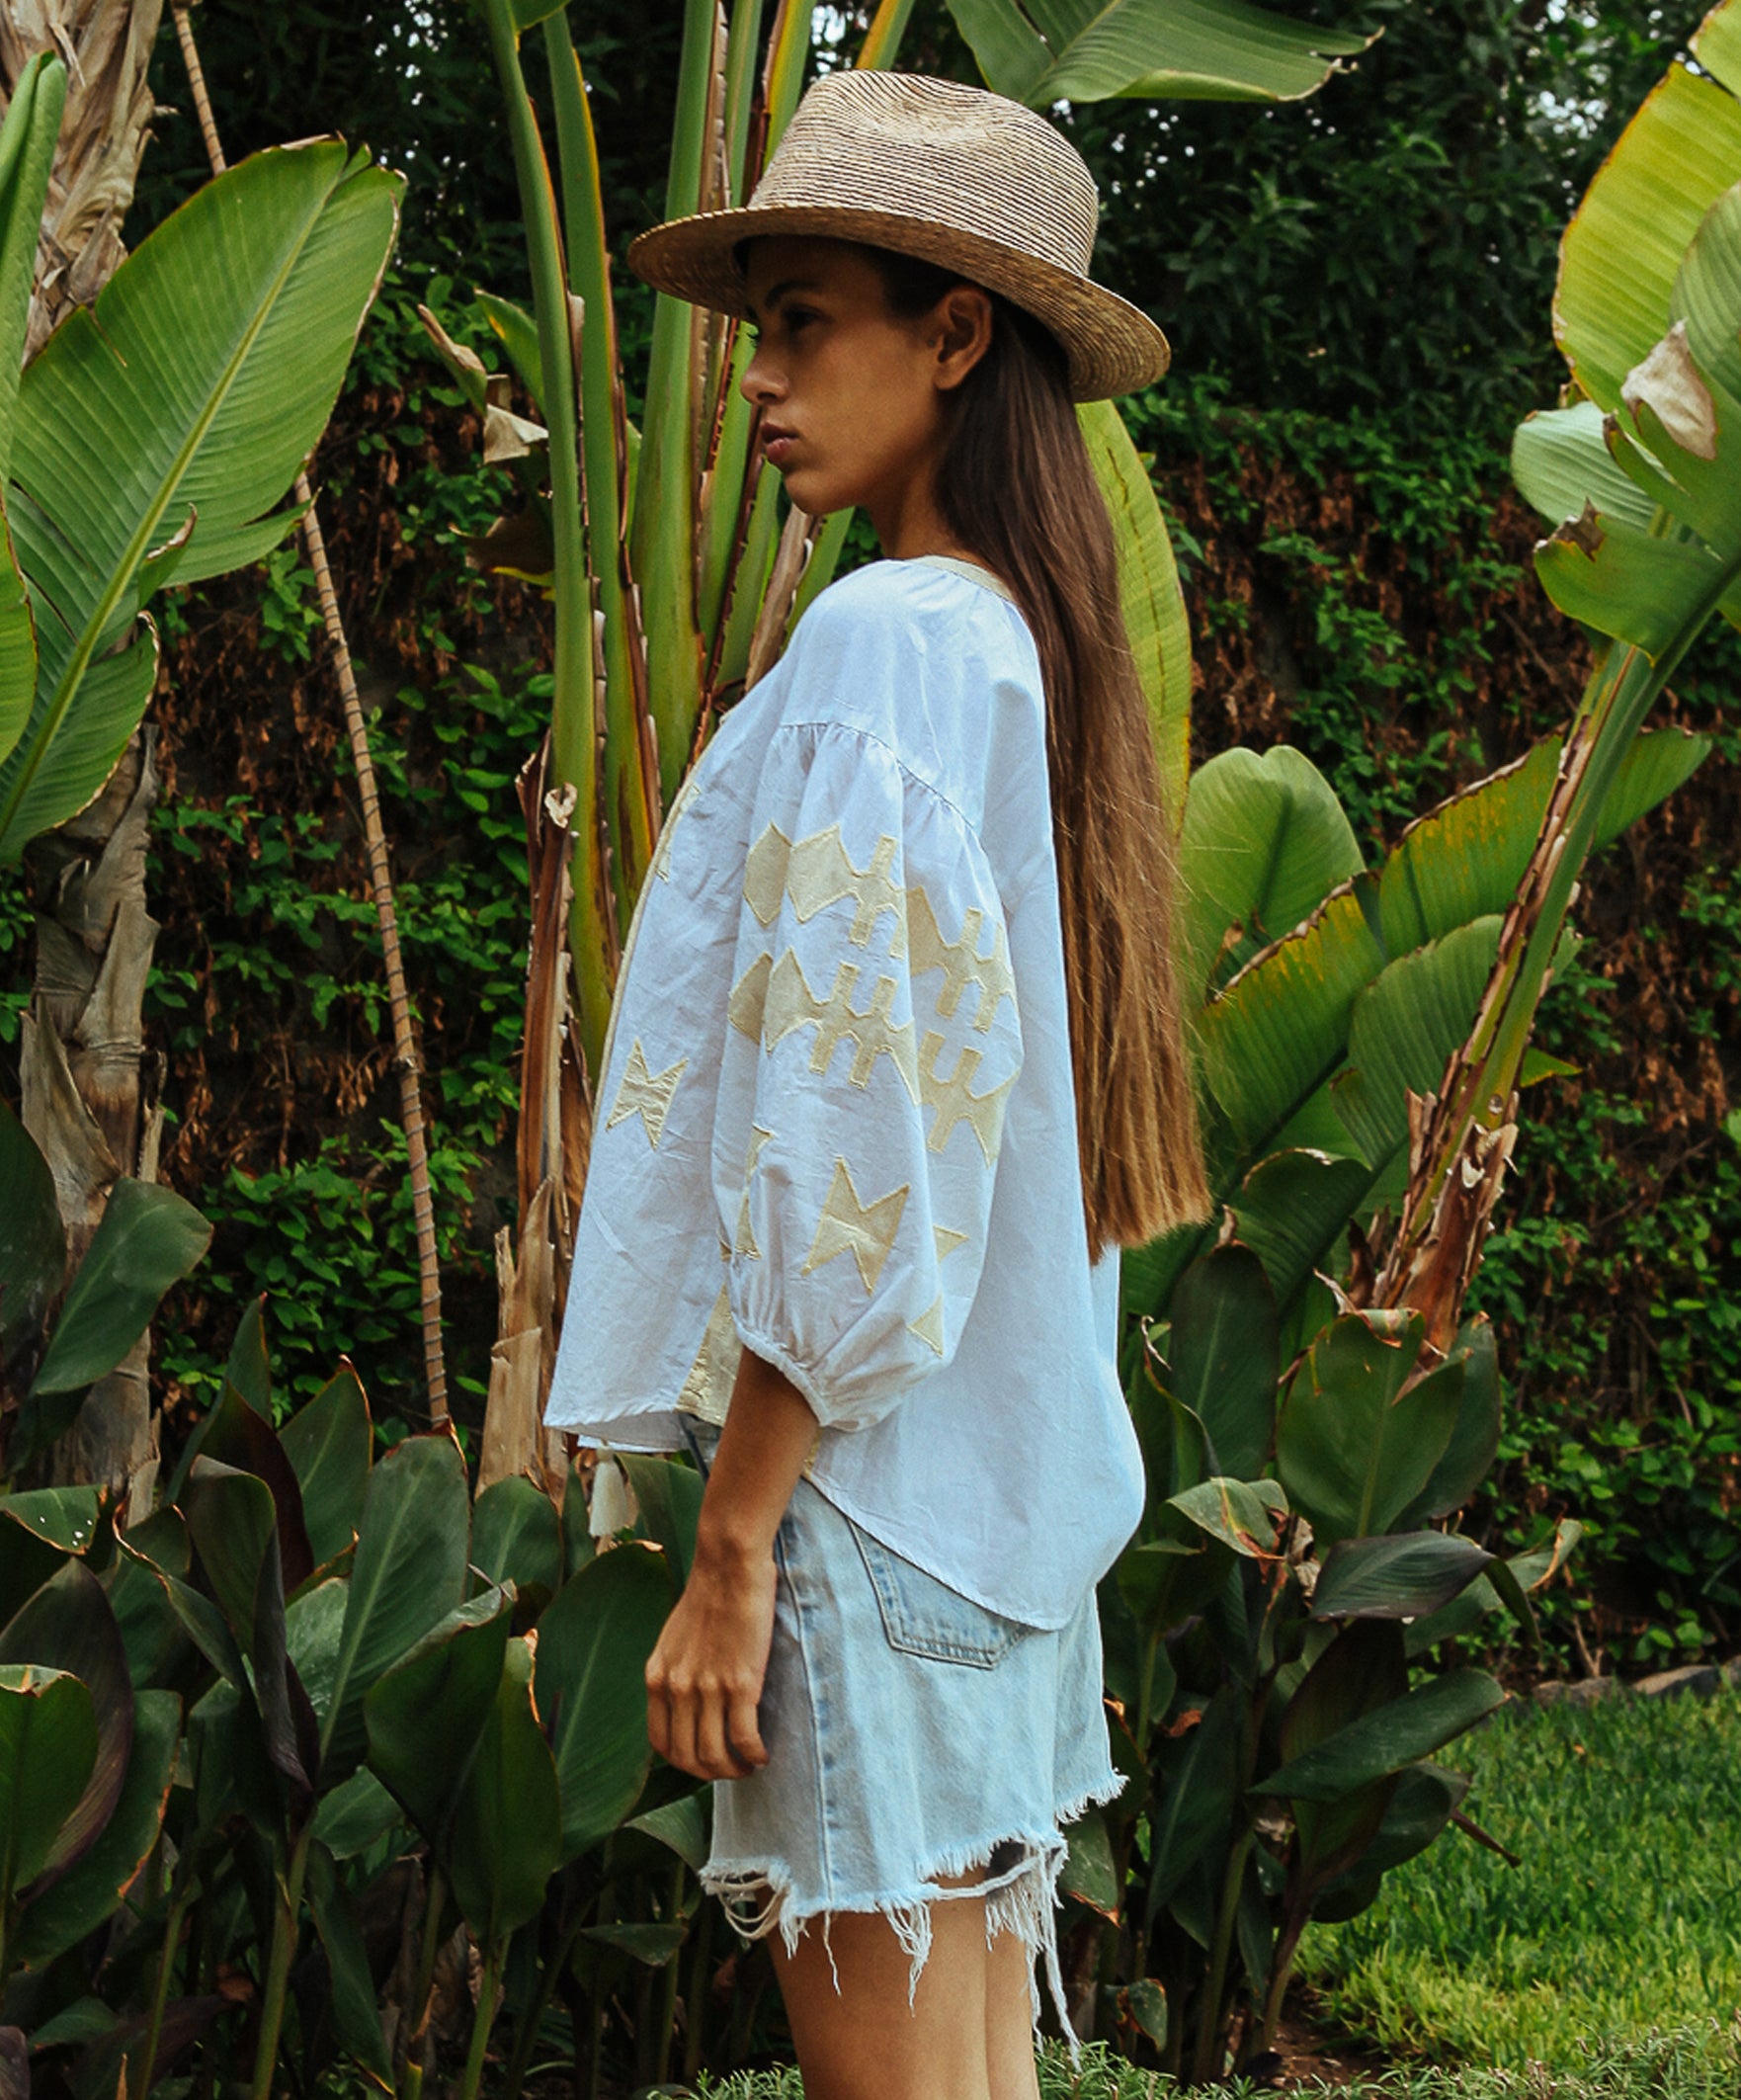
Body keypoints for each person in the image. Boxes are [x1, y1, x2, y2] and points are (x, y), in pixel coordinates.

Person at [542, 67, 1210, 2100]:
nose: (756, 377)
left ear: (954, 336)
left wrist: (732, 1540)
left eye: (803, 320)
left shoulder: (893, 637)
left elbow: (855, 1143)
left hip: (859, 1504)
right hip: (1000, 1517)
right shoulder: (1026, 649)